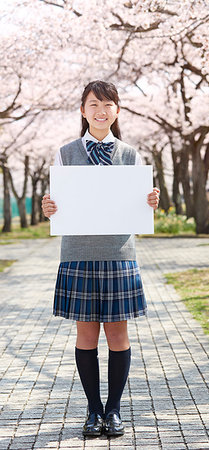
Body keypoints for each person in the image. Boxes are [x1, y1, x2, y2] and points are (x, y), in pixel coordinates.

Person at [42, 80, 160, 438]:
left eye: (107, 104)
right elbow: (57, 204)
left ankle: (114, 411)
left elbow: (138, 204)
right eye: (93, 104)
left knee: (118, 336)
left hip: (118, 253)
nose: (100, 110)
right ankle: (93, 410)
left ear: (117, 111)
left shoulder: (130, 155)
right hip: (77, 253)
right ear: (82, 111)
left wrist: (150, 202)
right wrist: (49, 209)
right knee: (86, 336)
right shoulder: (65, 154)